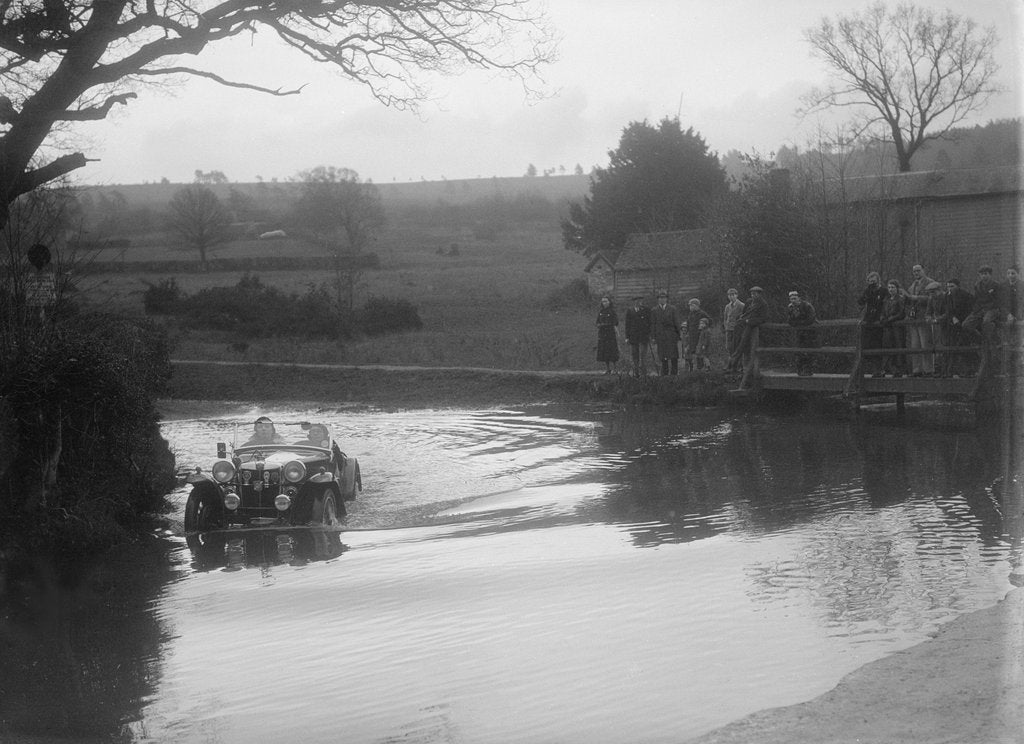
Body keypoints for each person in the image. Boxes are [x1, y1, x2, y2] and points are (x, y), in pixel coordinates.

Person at [962, 265, 1002, 368]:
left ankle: (992, 340)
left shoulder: (995, 285)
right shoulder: (977, 285)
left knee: (986, 322)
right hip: (981, 309)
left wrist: (988, 308)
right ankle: (980, 339)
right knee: (966, 324)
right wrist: (976, 310)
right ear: (979, 275)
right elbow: (976, 299)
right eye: (982, 274)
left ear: (990, 275)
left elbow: (998, 301)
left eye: (986, 274)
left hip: (993, 308)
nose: (984, 276)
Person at [900, 264, 936, 376]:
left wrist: (915, 298)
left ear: (923, 271)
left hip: (924, 317)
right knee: (915, 345)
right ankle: (917, 369)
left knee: (926, 344)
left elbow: (933, 298)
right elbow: (910, 300)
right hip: (914, 318)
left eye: (918, 271)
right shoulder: (913, 285)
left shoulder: (930, 283)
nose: (916, 273)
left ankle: (928, 369)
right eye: (914, 271)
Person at [729, 286, 769, 373]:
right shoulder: (749, 302)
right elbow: (744, 313)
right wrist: (741, 319)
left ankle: (739, 367)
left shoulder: (763, 304)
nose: (752, 296)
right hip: (740, 327)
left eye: (755, 294)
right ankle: (735, 367)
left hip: (751, 328)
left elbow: (763, 319)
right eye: (751, 294)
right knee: (735, 345)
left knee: (744, 347)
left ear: (759, 294)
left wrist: (749, 321)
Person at [857, 271, 888, 376]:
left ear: (878, 280)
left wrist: (883, 316)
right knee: (867, 346)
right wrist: (867, 293)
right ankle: (872, 370)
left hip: (878, 321)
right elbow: (860, 302)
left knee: (878, 345)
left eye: (874, 281)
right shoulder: (868, 291)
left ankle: (880, 369)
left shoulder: (883, 291)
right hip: (869, 320)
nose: (872, 283)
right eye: (870, 281)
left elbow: (886, 304)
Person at [944, 278, 974, 377]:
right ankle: (952, 371)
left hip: (964, 324)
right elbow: (948, 309)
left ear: (958, 286)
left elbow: (970, 309)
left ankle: (968, 371)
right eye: (948, 286)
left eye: (952, 286)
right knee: (953, 347)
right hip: (953, 325)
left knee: (965, 346)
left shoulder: (966, 295)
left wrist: (960, 320)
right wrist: (952, 318)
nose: (950, 288)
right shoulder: (947, 296)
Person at [879, 279, 907, 378]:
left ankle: (898, 370)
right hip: (888, 328)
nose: (891, 289)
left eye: (893, 287)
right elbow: (882, 312)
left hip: (897, 327)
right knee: (887, 347)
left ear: (897, 288)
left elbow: (901, 313)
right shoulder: (886, 300)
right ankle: (888, 368)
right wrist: (882, 318)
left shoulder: (900, 299)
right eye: (889, 287)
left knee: (898, 346)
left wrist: (891, 318)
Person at [786, 290, 817, 376]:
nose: (793, 301)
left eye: (795, 298)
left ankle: (808, 370)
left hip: (810, 332)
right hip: (799, 332)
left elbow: (811, 319)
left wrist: (799, 323)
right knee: (799, 350)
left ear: (799, 298)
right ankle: (800, 370)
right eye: (791, 299)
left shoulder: (807, 306)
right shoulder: (791, 308)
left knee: (808, 350)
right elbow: (789, 320)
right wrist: (796, 323)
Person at [650, 290, 681, 376]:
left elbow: (676, 322)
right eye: (660, 298)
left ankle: (674, 373)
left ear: (667, 299)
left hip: (671, 335)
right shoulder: (654, 310)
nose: (662, 300)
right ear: (658, 299)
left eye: (664, 298)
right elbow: (653, 324)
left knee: (674, 354)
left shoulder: (672, 309)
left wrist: (679, 334)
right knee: (663, 355)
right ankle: (665, 374)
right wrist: (653, 337)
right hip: (661, 336)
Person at [923, 281, 948, 377]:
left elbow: (947, 312)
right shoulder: (931, 299)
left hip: (945, 325)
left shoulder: (945, 298)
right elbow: (928, 312)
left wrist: (938, 319)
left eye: (933, 292)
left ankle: (945, 370)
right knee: (936, 346)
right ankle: (937, 369)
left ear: (939, 290)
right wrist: (928, 318)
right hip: (936, 326)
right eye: (930, 292)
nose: (931, 294)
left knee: (944, 345)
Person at [624, 295, 652, 377]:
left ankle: (644, 372)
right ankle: (636, 372)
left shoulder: (646, 310)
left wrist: (649, 334)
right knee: (634, 354)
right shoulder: (630, 311)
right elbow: (627, 325)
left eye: (640, 300)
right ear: (634, 302)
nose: (638, 302)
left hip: (644, 335)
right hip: (633, 336)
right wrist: (627, 337)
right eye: (636, 301)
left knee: (643, 354)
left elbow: (650, 323)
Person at [595, 295, 620, 374]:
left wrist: (617, 332)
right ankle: (608, 369)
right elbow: (597, 322)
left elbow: (615, 323)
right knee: (604, 351)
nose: (604, 303)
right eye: (603, 301)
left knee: (612, 350)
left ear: (609, 302)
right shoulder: (601, 312)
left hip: (610, 334)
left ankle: (615, 369)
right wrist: (599, 325)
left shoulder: (612, 311)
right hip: (603, 334)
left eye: (606, 301)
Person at [683, 298, 710, 373]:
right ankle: (692, 368)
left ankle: (700, 367)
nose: (690, 307)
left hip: (699, 336)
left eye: (692, 305)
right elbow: (688, 324)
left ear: (697, 306)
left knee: (699, 352)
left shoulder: (702, 313)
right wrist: (687, 332)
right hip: (691, 336)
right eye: (690, 306)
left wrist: (703, 329)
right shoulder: (690, 314)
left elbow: (709, 321)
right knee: (692, 352)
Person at [722, 288, 745, 372]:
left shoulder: (741, 305)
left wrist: (739, 327)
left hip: (737, 330)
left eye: (733, 295)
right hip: (729, 330)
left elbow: (743, 318)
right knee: (729, 347)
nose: (731, 297)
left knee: (737, 348)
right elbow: (725, 318)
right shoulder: (727, 306)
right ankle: (731, 364)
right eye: (729, 295)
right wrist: (726, 327)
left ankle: (739, 366)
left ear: (736, 295)